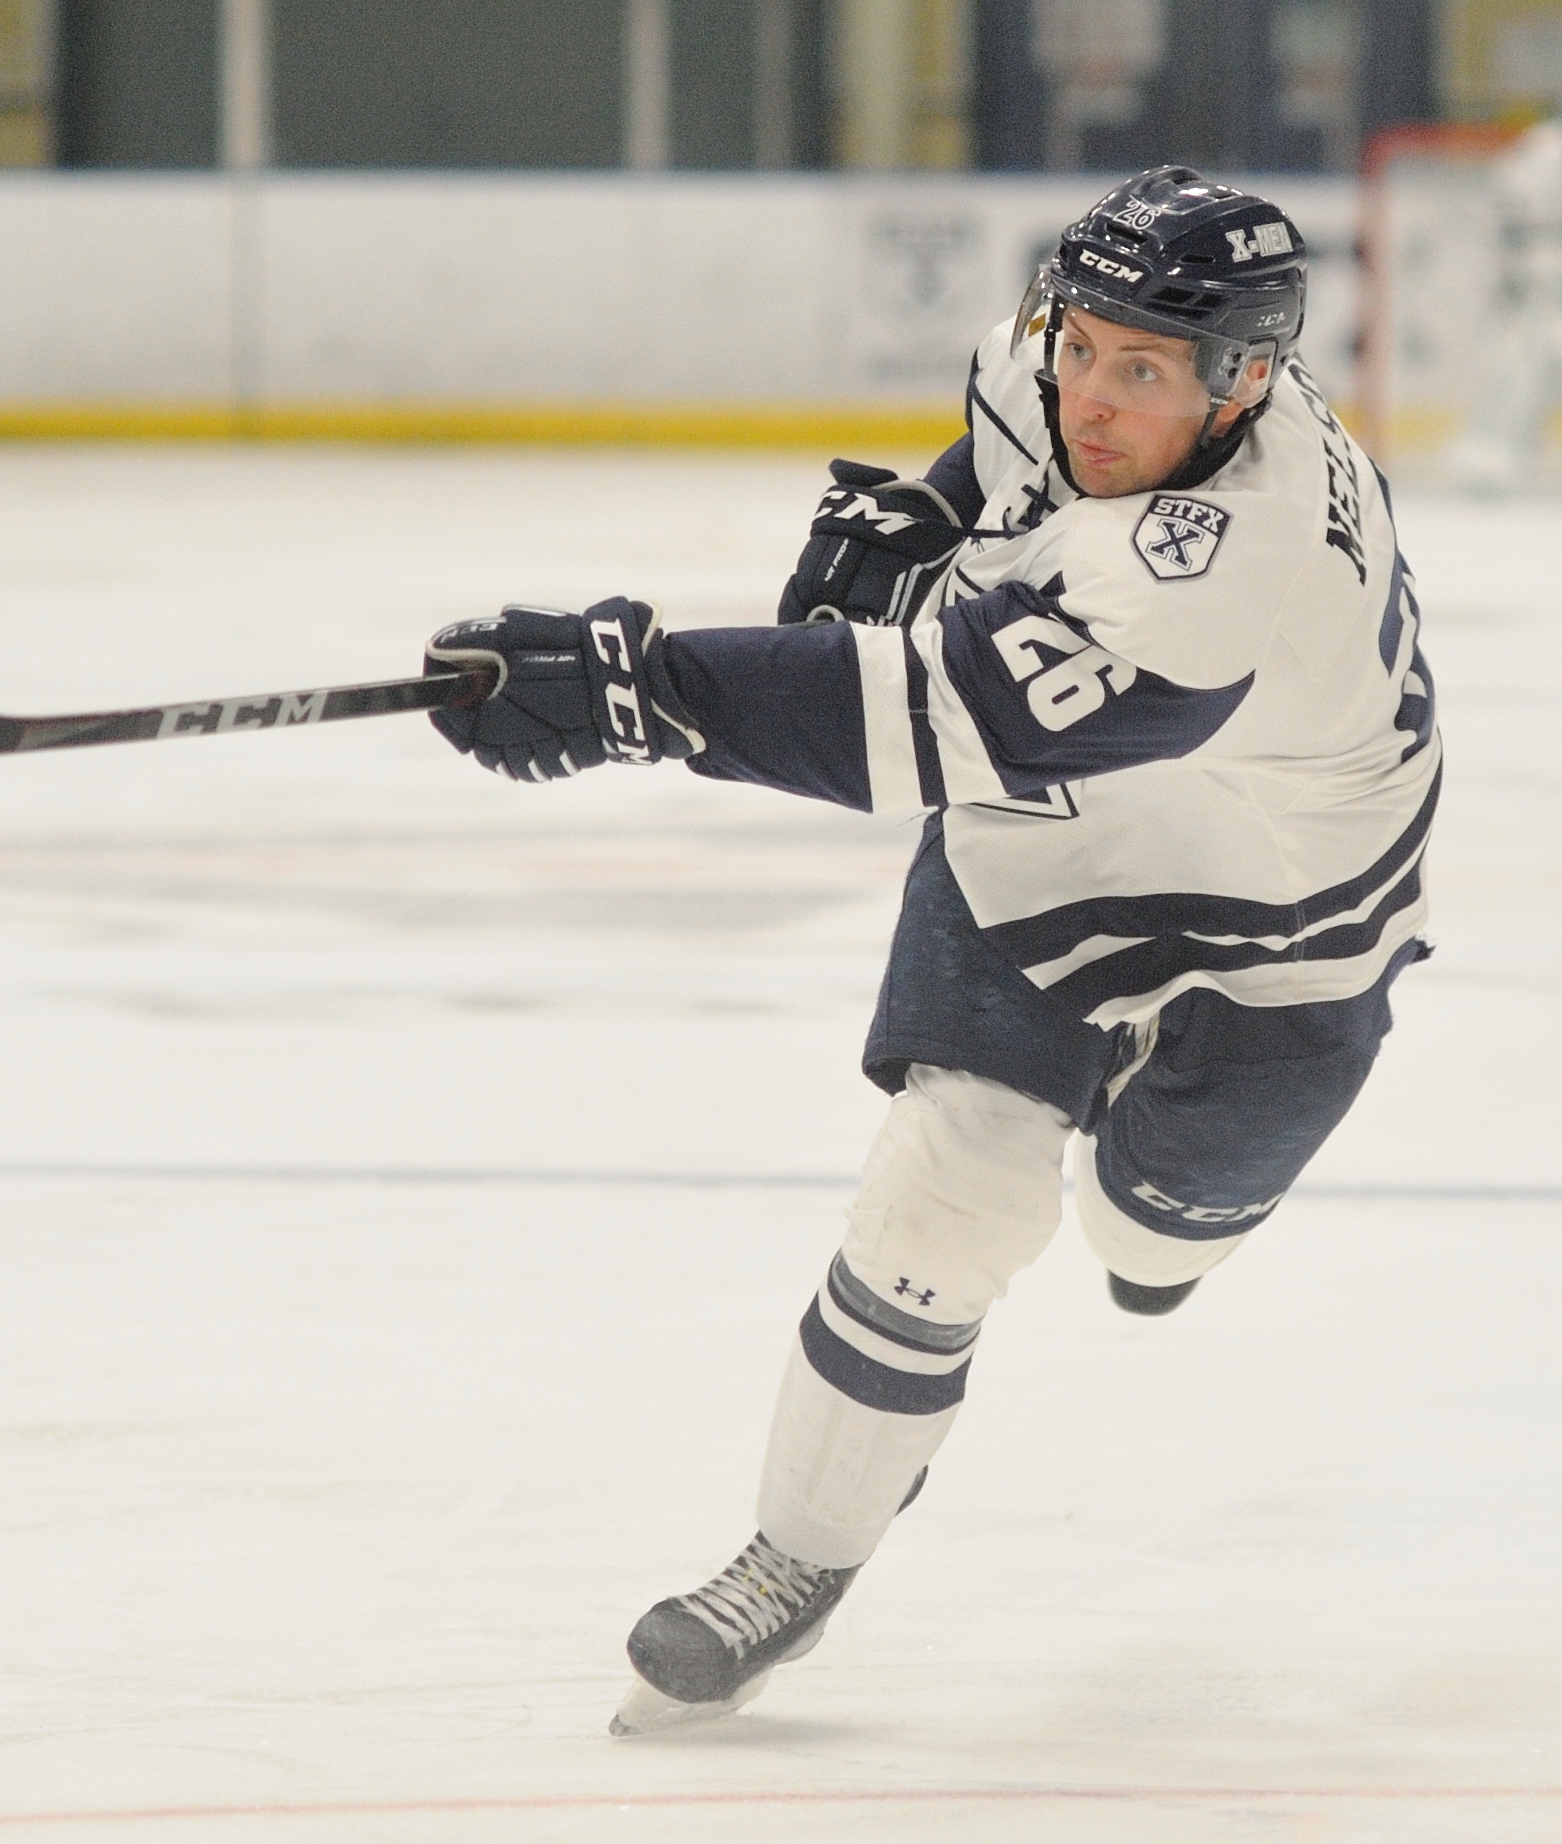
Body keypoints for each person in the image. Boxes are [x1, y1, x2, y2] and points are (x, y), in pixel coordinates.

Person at [421, 167, 1439, 1735]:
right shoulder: (1068, 381)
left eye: (1143, 371)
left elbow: (933, 717)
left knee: (1145, 1249)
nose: (1091, 395)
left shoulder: (1236, 566)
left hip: (1285, 918)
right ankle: (796, 1556)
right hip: (1053, 844)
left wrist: (641, 693)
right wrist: (938, 518)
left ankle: (1152, 1184)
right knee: (946, 1197)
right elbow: (1001, 472)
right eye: (1081, 344)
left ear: (1243, 384)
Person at [1450, 119, 1562, 491]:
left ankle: (1496, 450)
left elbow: (1501, 204)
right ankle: (1493, 450)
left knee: (1523, 363)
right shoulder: (1543, 147)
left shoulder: (1537, 148)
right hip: (1537, 274)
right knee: (1521, 365)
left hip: (1532, 270)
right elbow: (1505, 206)